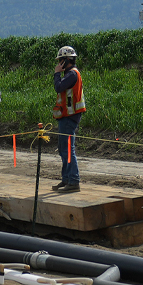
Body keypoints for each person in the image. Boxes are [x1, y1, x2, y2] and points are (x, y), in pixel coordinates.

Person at [51, 45, 85, 192]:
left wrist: (56, 74)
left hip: (70, 117)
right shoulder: (70, 74)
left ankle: (73, 181)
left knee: (68, 150)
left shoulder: (72, 74)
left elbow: (58, 87)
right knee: (63, 149)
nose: (58, 64)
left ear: (66, 60)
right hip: (66, 116)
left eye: (60, 61)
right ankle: (66, 179)